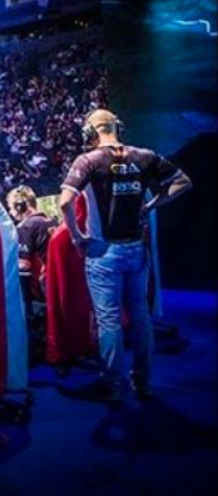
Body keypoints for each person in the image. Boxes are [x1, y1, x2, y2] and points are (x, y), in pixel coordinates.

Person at [59, 109, 192, 402]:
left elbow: (65, 202)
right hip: (135, 248)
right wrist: (151, 206)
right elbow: (182, 182)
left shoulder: (88, 160)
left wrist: (77, 236)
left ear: (90, 132)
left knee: (109, 321)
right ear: (117, 128)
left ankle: (113, 385)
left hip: (103, 251)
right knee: (140, 317)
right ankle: (143, 383)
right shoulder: (145, 156)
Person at [6, 185, 58, 300]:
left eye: (11, 208)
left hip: (46, 285)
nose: (11, 212)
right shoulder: (52, 220)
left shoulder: (26, 227)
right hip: (60, 277)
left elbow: (23, 268)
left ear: (20, 206)